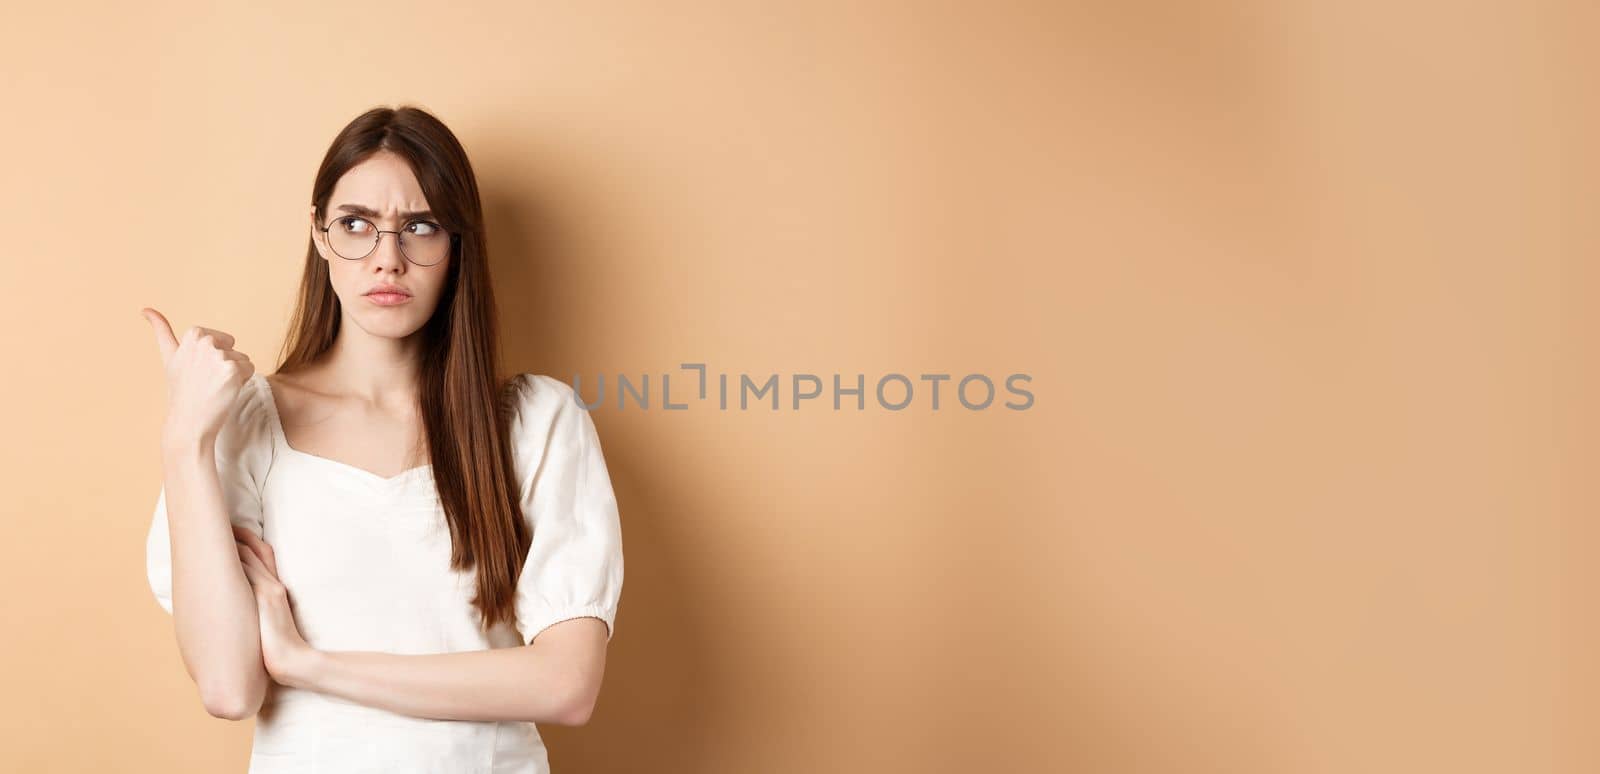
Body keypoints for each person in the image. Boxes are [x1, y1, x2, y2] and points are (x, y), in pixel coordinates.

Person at [139, 104, 624, 773]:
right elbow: (228, 687)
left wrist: (312, 665)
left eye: (420, 227)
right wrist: (184, 440)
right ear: (319, 234)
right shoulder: (246, 425)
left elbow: (567, 686)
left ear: (457, 243)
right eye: (356, 225)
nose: (387, 260)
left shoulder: (536, 420)